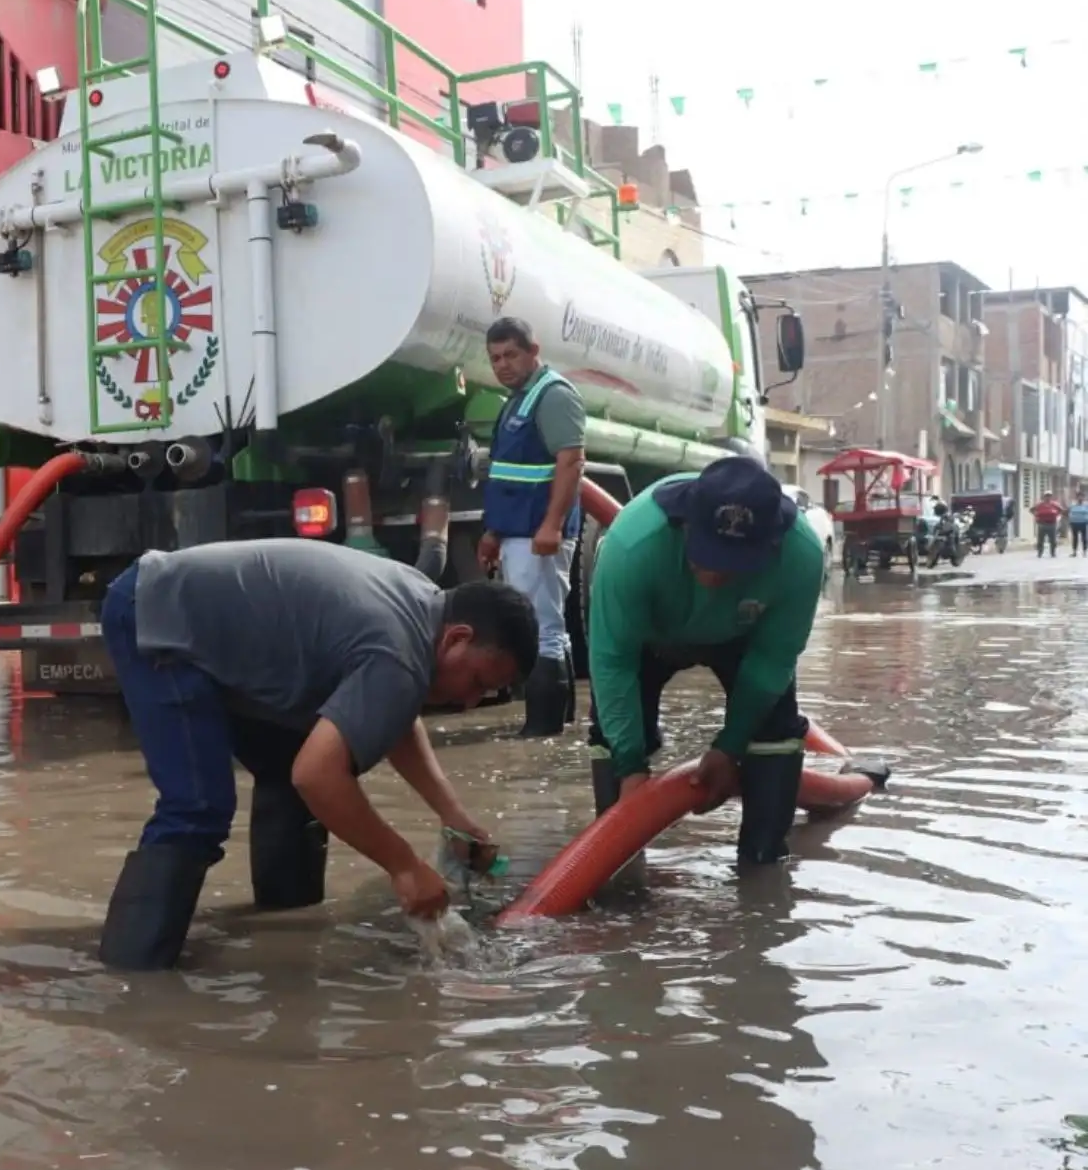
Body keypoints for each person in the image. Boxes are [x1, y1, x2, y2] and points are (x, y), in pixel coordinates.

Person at [95, 539, 539, 970]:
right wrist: (404, 867)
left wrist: (452, 814)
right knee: (197, 808)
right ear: (457, 638)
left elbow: (393, 713)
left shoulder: (422, 608)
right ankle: (131, 980)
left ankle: (282, 924)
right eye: (478, 682)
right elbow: (318, 775)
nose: (470, 702)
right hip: (155, 615)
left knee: (285, 769)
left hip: (187, 611)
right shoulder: (398, 651)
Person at [585, 455, 824, 870]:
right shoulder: (632, 546)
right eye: (706, 555)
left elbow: (773, 661)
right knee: (613, 734)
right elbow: (612, 663)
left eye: (733, 563)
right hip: (651, 638)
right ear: (684, 524)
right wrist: (630, 766)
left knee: (775, 731)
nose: (714, 575)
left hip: (743, 637)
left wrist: (730, 748)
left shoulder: (801, 555)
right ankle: (616, 871)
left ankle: (763, 871)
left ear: (773, 543)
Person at [475, 317, 587, 737]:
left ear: (533, 351)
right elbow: (509, 474)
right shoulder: (518, 399)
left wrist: (552, 526)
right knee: (548, 625)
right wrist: (493, 532)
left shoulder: (553, 396)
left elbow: (572, 462)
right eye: (495, 358)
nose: (502, 365)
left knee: (542, 628)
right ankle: (560, 723)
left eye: (511, 355)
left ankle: (542, 732)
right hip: (518, 531)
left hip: (538, 534)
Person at [1032, 491, 1063, 558]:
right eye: (1046, 496)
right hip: (1042, 524)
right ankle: (1040, 552)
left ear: (1051, 497)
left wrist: (1058, 516)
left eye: (1049, 496)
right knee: (1040, 539)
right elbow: (1032, 510)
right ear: (1044, 497)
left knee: (1053, 539)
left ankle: (1053, 552)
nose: (1048, 497)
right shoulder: (1039, 504)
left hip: (1052, 524)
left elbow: (1061, 510)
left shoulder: (1055, 504)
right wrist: (1036, 516)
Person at [1067, 491, 1088, 557]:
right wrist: (1070, 520)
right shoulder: (1073, 505)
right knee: (1075, 538)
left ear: (1084, 497)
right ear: (1077, 497)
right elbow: (1069, 512)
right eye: (1079, 496)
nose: (1080, 498)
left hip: (1083, 523)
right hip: (1074, 523)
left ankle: (1084, 552)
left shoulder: (1086, 505)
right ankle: (1074, 552)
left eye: (1082, 496)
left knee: (1084, 538)